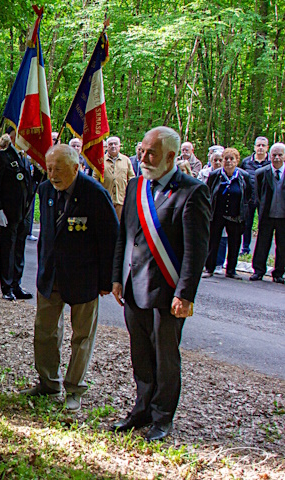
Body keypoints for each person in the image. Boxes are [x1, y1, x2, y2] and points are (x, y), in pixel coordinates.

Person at [110, 126, 210, 442]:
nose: (143, 157)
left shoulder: (192, 191)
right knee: (140, 353)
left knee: (166, 357)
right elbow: (123, 237)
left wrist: (186, 294)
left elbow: (197, 250)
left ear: (170, 156)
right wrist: (116, 277)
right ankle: (142, 409)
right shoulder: (137, 184)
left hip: (167, 292)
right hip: (133, 288)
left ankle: (162, 417)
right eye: (141, 150)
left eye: (151, 152)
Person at [22, 144, 119, 412]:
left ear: (76, 168)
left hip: (84, 278)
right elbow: (47, 237)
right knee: (45, 332)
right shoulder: (45, 190)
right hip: (51, 276)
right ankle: (48, 382)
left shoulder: (95, 193)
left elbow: (110, 239)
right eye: (49, 168)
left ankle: (74, 388)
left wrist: (105, 281)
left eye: (59, 169)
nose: (53, 175)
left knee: (82, 336)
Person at [0, 133, 35, 301]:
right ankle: (6, 286)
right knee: (7, 250)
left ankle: (16, 284)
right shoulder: (2, 156)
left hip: (24, 212)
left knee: (19, 250)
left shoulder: (25, 158)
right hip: (8, 212)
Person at [203, 148, 252, 279]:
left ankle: (231, 270)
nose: (228, 162)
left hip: (235, 215)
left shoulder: (243, 176)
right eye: (226, 159)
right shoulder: (214, 175)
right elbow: (208, 193)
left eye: (232, 159)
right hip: (217, 214)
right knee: (213, 242)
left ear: (237, 161)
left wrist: (244, 213)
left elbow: (248, 196)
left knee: (234, 243)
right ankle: (209, 268)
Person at [249, 142, 285, 283]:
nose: (276, 158)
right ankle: (258, 271)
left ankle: (278, 273)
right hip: (267, 214)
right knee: (262, 243)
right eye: (274, 155)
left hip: (283, 216)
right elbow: (258, 194)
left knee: (282, 245)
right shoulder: (261, 173)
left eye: (279, 155)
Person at [240, 137, 271, 255]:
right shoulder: (246, 162)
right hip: (249, 198)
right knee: (247, 224)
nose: (261, 148)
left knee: (263, 225)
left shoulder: (270, 162)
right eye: (258, 145)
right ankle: (245, 249)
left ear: (267, 147)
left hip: (264, 200)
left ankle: (261, 251)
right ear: (254, 147)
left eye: (263, 145)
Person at [93, 136, 135, 219]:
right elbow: (94, 180)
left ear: (119, 146)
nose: (113, 146)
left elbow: (132, 179)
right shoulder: (100, 161)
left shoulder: (126, 160)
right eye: (110, 144)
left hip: (122, 200)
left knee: (121, 225)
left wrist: (130, 195)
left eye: (115, 144)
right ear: (107, 146)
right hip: (105, 201)